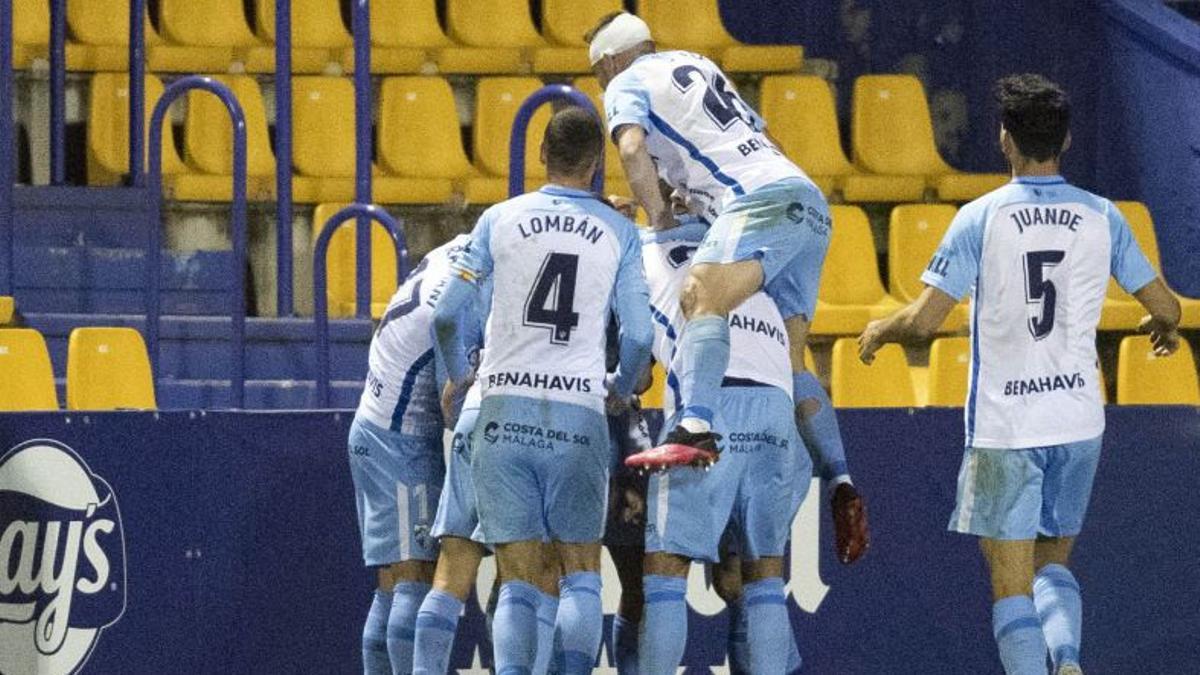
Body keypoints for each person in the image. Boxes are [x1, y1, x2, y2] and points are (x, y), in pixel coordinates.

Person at [858, 74, 1182, 675]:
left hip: (1008, 426)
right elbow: (1167, 307)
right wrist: (1161, 327)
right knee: (1052, 567)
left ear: (1005, 138)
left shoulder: (980, 218)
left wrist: (880, 331)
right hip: (1079, 420)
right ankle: (1067, 659)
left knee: (1011, 586)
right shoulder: (1102, 216)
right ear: (1066, 139)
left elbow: (926, 322)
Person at [584, 13, 867, 567]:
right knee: (792, 359)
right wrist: (699, 198)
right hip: (804, 203)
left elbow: (633, 150)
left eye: (597, 73)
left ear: (610, 61)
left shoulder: (626, 83)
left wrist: (660, 215)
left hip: (757, 204)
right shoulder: (701, 65)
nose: (600, 85)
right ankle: (841, 478)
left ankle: (696, 425)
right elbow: (768, 142)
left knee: (700, 296)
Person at [433, 107, 654, 675]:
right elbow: (639, 336)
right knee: (581, 572)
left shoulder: (499, 219)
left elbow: (447, 316)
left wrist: (461, 376)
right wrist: (621, 389)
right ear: (597, 163)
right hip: (578, 415)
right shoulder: (619, 230)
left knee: (517, 579)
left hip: (503, 412)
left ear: (540, 157)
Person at [634, 206, 858, 675]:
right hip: (776, 414)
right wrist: (838, 473)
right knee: (762, 576)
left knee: (665, 572)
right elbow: (802, 377)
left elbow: (637, 357)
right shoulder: (765, 258)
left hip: (710, 409)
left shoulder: (642, 247)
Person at [346, 234, 470, 675]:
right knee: (415, 578)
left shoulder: (451, 250)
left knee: (391, 581)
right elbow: (451, 404)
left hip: (371, 426)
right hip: (402, 440)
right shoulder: (464, 291)